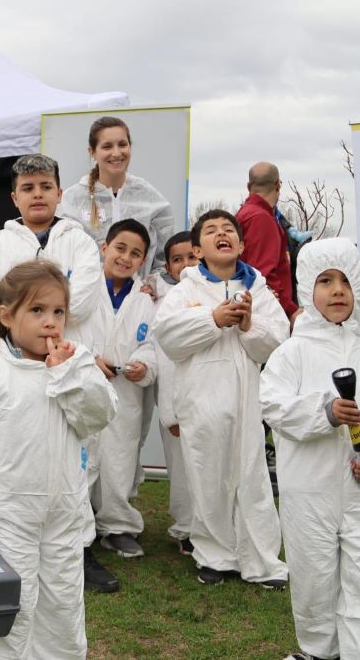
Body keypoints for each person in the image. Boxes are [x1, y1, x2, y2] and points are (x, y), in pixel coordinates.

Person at [0, 260, 118, 659]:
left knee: (63, 606)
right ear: (7, 315)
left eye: (58, 311)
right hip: (6, 516)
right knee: (7, 610)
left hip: (63, 512)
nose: (50, 322)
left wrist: (68, 373)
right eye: (37, 311)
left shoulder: (76, 361)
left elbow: (99, 415)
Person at [260, 238, 360, 660]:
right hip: (308, 491)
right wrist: (326, 412)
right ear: (306, 290)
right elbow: (275, 405)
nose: (337, 291)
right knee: (313, 572)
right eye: (325, 281)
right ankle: (318, 649)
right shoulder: (291, 354)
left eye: (346, 282)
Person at [0, 153, 118, 592]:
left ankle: (79, 547)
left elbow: (84, 301)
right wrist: (24, 338)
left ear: (58, 192)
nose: (37, 195)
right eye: (28, 188)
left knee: (79, 451)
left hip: (66, 358)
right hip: (15, 364)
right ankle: (5, 537)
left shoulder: (80, 241)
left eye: (45, 187)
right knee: (17, 449)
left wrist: (53, 338)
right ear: (14, 197)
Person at [151, 209, 289, 588]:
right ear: (198, 249)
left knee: (252, 480)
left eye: (229, 230)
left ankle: (259, 560)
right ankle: (214, 556)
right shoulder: (185, 291)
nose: (221, 234)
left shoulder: (257, 289)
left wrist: (247, 324)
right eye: (211, 231)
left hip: (246, 405)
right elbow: (169, 338)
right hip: (202, 403)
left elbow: (277, 339)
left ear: (241, 245)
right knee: (207, 479)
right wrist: (212, 319)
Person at [89, 219, 156, 559]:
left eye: (135, 254)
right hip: (86, 386)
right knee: (81, 455)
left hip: (125, 392)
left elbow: (152, 343)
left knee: (119, 457)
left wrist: (143, 364)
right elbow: (69, 331)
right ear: (104, 248)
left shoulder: (145, 300)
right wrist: (89, 359)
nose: (126, 258)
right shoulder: (83, 290)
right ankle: (78, 522)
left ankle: (117, 526)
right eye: (120, 248)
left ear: (143, 260)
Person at [59, 116, 176, 277]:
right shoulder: (72, 199)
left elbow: (165, 257)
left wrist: (154, 284)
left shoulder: (151, 199)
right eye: (107, 146)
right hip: (87, 296)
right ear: (92, 152)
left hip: (138, 297)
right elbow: (61, 254)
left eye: (122, 144)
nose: (116, 153)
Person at [149, 231, 198, 556]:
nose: (184, 265)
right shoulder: (163, 300)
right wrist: (170, 413)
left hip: (209, 399)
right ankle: (186, 528)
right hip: (177, 403)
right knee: (182, 470)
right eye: (177, 260)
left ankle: (215, 527)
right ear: (168, 265)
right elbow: (164, 362)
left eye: (190, 257)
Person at [235, 162, 301, 325]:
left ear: (248, 186)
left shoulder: (244, 214)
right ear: (278, 185)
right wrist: (290, 310)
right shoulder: (261, 219)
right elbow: (263, 273)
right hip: (270, 313)